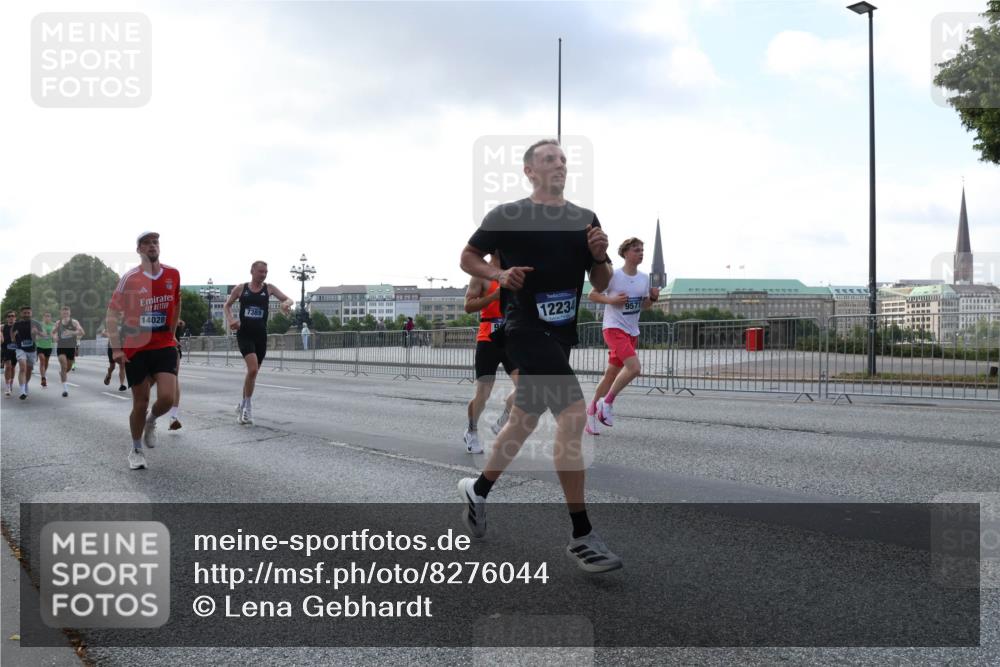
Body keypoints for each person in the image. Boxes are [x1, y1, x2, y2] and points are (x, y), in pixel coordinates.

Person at [457, 138, 622, 573]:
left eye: (564, 159)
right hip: (523, 329)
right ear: (529, 170)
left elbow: (601, 282)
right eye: (549, 159)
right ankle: (582, 534)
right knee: (572, 415)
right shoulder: (507, 216)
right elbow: (468, 256)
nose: (560, 164)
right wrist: (499, 273)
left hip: (560, 332)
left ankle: (477, 490)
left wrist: (601, 255)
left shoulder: (584, 219)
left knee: (524, 420)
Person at [106, 231, 182, 470]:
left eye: (155, 242)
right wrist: (117, 349)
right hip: (136, 348)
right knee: (140, 402)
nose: (152, 246)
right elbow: (111, 314)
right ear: (139, 249)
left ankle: (152, 421)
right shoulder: (130, 278)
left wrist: (172, 334)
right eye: (147, 243)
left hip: (163, 345)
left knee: (168, 398)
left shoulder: (172, 274)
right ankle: (136, 449)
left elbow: (177, 303)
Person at [586, 238, 660, 435]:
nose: (641, 253)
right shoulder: (613, 276)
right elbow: (592, 295)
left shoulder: (644, 278)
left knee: (610, 374)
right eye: (636, 250)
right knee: (634, 368)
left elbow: (643, 306)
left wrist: (652, 298)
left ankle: (591, 411)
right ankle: (606, 403)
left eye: (642, 250)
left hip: (631, 331)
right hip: (613, 328)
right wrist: (611, 299)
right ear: (625, 253)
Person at [223, 261, 293, 426]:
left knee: (252, 374)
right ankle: (247, 409)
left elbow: (289, 299)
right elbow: (227, 305)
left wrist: (285, 304)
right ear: (252, 271)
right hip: (245, 334)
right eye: (261, 271)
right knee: (253, 369)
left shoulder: (269, 288)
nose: (263, 274)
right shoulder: (241, 288)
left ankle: (242, 405)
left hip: (261, 336)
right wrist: (231, 319)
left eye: (266, 272)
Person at [462, 253, 518, 454]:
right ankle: (472, 431)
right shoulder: (480, 274)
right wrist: (493, 297)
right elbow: (468, 306)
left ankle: (501, 422)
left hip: (511, 337)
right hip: (488, 338)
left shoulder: (513, 271)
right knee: (483, 394)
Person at [11, 306, 43, 400]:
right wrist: (14, 336)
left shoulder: (36, 323)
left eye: (28, 313)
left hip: (32, 350)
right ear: (21, 314)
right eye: (25, 313)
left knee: (28, 370)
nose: (26, 314)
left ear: (31, 313)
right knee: (22, 367)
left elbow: (44, 336)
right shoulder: (17, 324)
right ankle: (22, 391)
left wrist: (37, 333)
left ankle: (25, 385)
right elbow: (12, 338)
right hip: (20, 349)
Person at [53, 306, 85, 398]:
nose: (65, 314)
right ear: (61, 314)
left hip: (71, 347)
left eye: (67, 313)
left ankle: (63, 373)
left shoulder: (74, 322)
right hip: (61, 347)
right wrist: (54, 336)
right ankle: (65, 389)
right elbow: (53, 332)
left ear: (70, 313)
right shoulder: (58, 323)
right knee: (64, 365)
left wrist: (72, 333)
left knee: (68, 367)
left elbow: (82, 332)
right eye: (63, 312)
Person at [168, 318, 187, 430]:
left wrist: (178, 323)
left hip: (173, 349)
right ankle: (148, 415)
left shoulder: (174, 304)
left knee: (174, 378)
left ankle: (173, 417)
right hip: (153, 348)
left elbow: (181, 322)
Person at [99, 325, 128, 391]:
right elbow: (103, 333)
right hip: (111, 348)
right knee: (112, 366)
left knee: (122, 365)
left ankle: (122, 385)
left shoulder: (124, 327)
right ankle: (109, 375)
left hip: (121, 348)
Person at [36, 312, 55, 388]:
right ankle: (43, 378)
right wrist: (40, 335)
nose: (47, 318)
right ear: (43, 317)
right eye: (46, 316)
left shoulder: (52, 325)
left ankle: (43, 375)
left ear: (50, 318)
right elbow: (36, 336)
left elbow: (54, 335)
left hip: (48, 347)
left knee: (46, 362)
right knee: (42, 360)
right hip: (40, 346)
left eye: (49, 316)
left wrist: (53, 336)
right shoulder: (40, 325)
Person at [2, 311, 16, 396]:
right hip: (6, 349)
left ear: (15, 317)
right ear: (7, 318)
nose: (11, 317)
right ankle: (7, 387)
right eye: (9, 316)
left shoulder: (18, 327)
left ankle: (11, 384)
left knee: (13, 368)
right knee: (8, 366)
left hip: (15, 350)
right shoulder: (3, 327)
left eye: (13, 316)